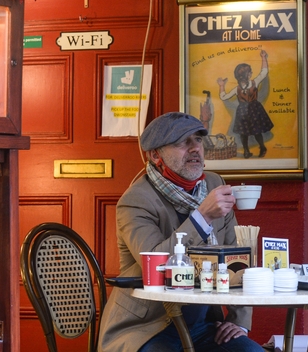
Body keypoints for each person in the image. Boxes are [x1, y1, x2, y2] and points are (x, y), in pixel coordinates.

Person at [98, 112, 262, 352]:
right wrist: (202, 216)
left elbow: (238, 257)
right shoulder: (136, 201)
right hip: (148, 326)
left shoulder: (214, 184)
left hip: (203, 325)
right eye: (181, 142)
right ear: (156, 155)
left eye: (197, 140)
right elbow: (156, 264)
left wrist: (238, 322)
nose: (194, 148)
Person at [217, 50, 274, 158]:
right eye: (250, 72)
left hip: (255, 110)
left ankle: (262, 147)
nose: (251, 74)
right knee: (244, 133)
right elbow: (224, 97)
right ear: (246, 75)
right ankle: (246, 151)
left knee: (257, 132)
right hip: (243, 112)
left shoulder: (254, 82)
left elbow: (264, 71)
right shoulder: (237, 89)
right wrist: (221, 86)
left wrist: (263, 57)